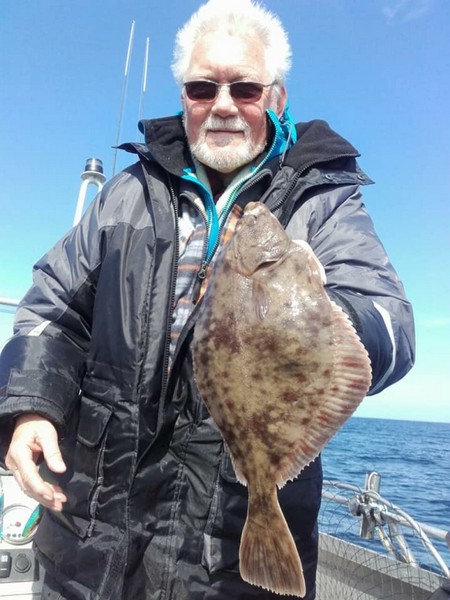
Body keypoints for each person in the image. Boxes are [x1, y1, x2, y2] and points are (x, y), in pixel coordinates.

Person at [0, 1, 415, 598]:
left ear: (275, 98)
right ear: (184, 98)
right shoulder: (127, 193)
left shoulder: (322, 199)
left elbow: (391, 323)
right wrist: (32, 406)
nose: (222, 105)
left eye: (244, 88)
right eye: (202, 88)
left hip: (221, 557)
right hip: (90, 543)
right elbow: (54, 311)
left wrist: (320, 325)